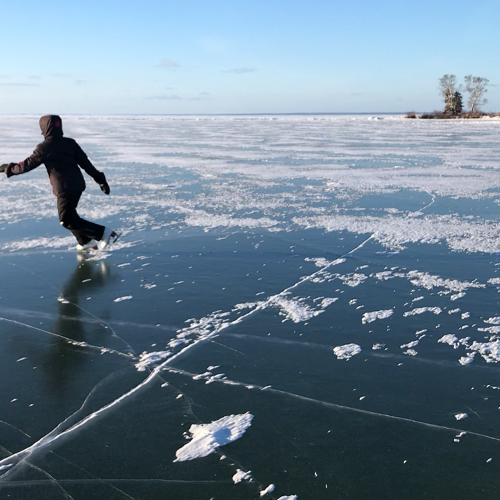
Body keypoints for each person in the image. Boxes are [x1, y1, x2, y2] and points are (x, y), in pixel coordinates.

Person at [0, 115, 119, 252]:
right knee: (71, 216)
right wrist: (101, 180)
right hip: (78, 185)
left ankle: (104, 233)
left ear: (44, 128)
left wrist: (6, 168)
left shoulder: (44, 147)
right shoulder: (70, 143)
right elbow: (86, 164)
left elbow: (25, 166)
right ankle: (85, 241)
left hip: (65, 188)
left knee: (66, 220)